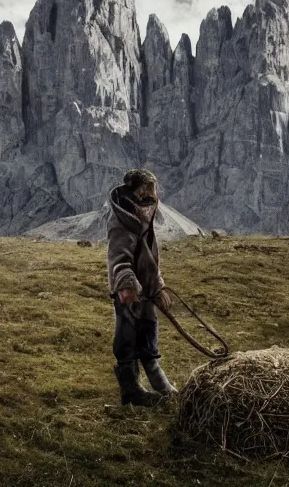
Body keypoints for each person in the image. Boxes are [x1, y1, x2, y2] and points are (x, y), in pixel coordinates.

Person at [106, 168, 178, 406]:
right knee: (126, 337)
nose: (149, 196)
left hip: (145, 292)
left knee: (148, 334)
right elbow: (119, 257)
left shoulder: (144, 218)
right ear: (133, 192)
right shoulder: (123, 219)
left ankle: (162, 387)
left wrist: (157, 287)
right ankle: (131, 391)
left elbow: (149, 260)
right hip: (129, 293)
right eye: (144, 192)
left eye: (152, 192)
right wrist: (126, 285)